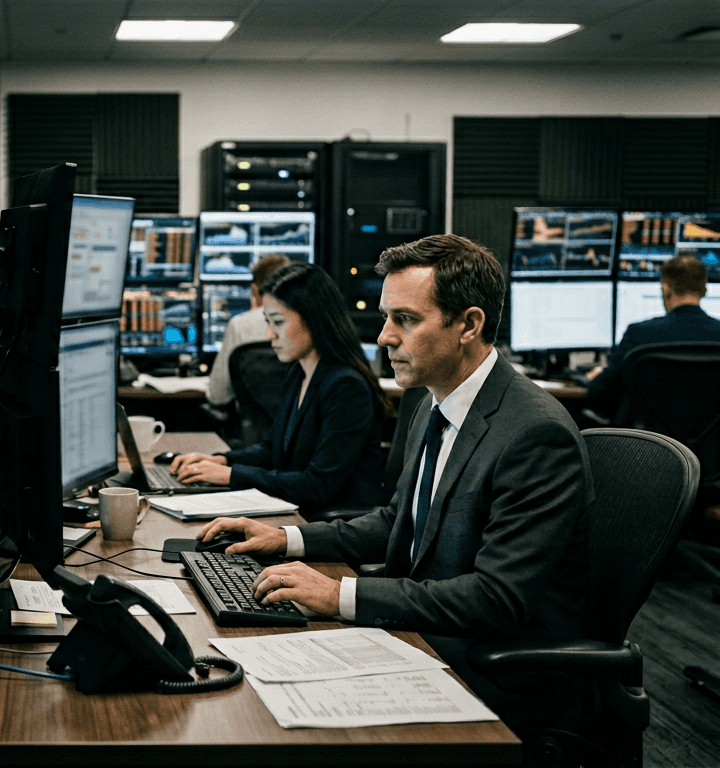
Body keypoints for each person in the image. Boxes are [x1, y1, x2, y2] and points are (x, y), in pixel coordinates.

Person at [197, 234, 593, 726]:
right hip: (425, 633)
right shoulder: (435, 399)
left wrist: (339, 596)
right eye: (387, 317)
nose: (384, 336)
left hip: (492, 669)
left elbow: (496, 598)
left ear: (469, 324)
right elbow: (397, 520)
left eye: (404, 319)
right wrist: (286, 539)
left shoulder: (535, 433)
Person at [170, 262, 393, 512]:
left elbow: (318, 485)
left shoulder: (346, 387)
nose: (270, 334)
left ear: (313, 318)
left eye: (278, 322)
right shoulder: (299, 372)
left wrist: (230, 475)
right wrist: (222, 459)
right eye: (268, 322)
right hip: (295, 511)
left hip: (329, 525)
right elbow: (272, 448)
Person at [586, 253, 720, 418]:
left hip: (647, 441)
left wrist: (596, 377)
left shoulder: (639, 334)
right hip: (710, 441)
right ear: (704, 290)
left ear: (666, 288)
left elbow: (603, 390)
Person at [207, 253, 292, 406]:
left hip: (254, 428)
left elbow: (217, 395)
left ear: (254, 289)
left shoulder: (240, 325)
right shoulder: (310, 322)